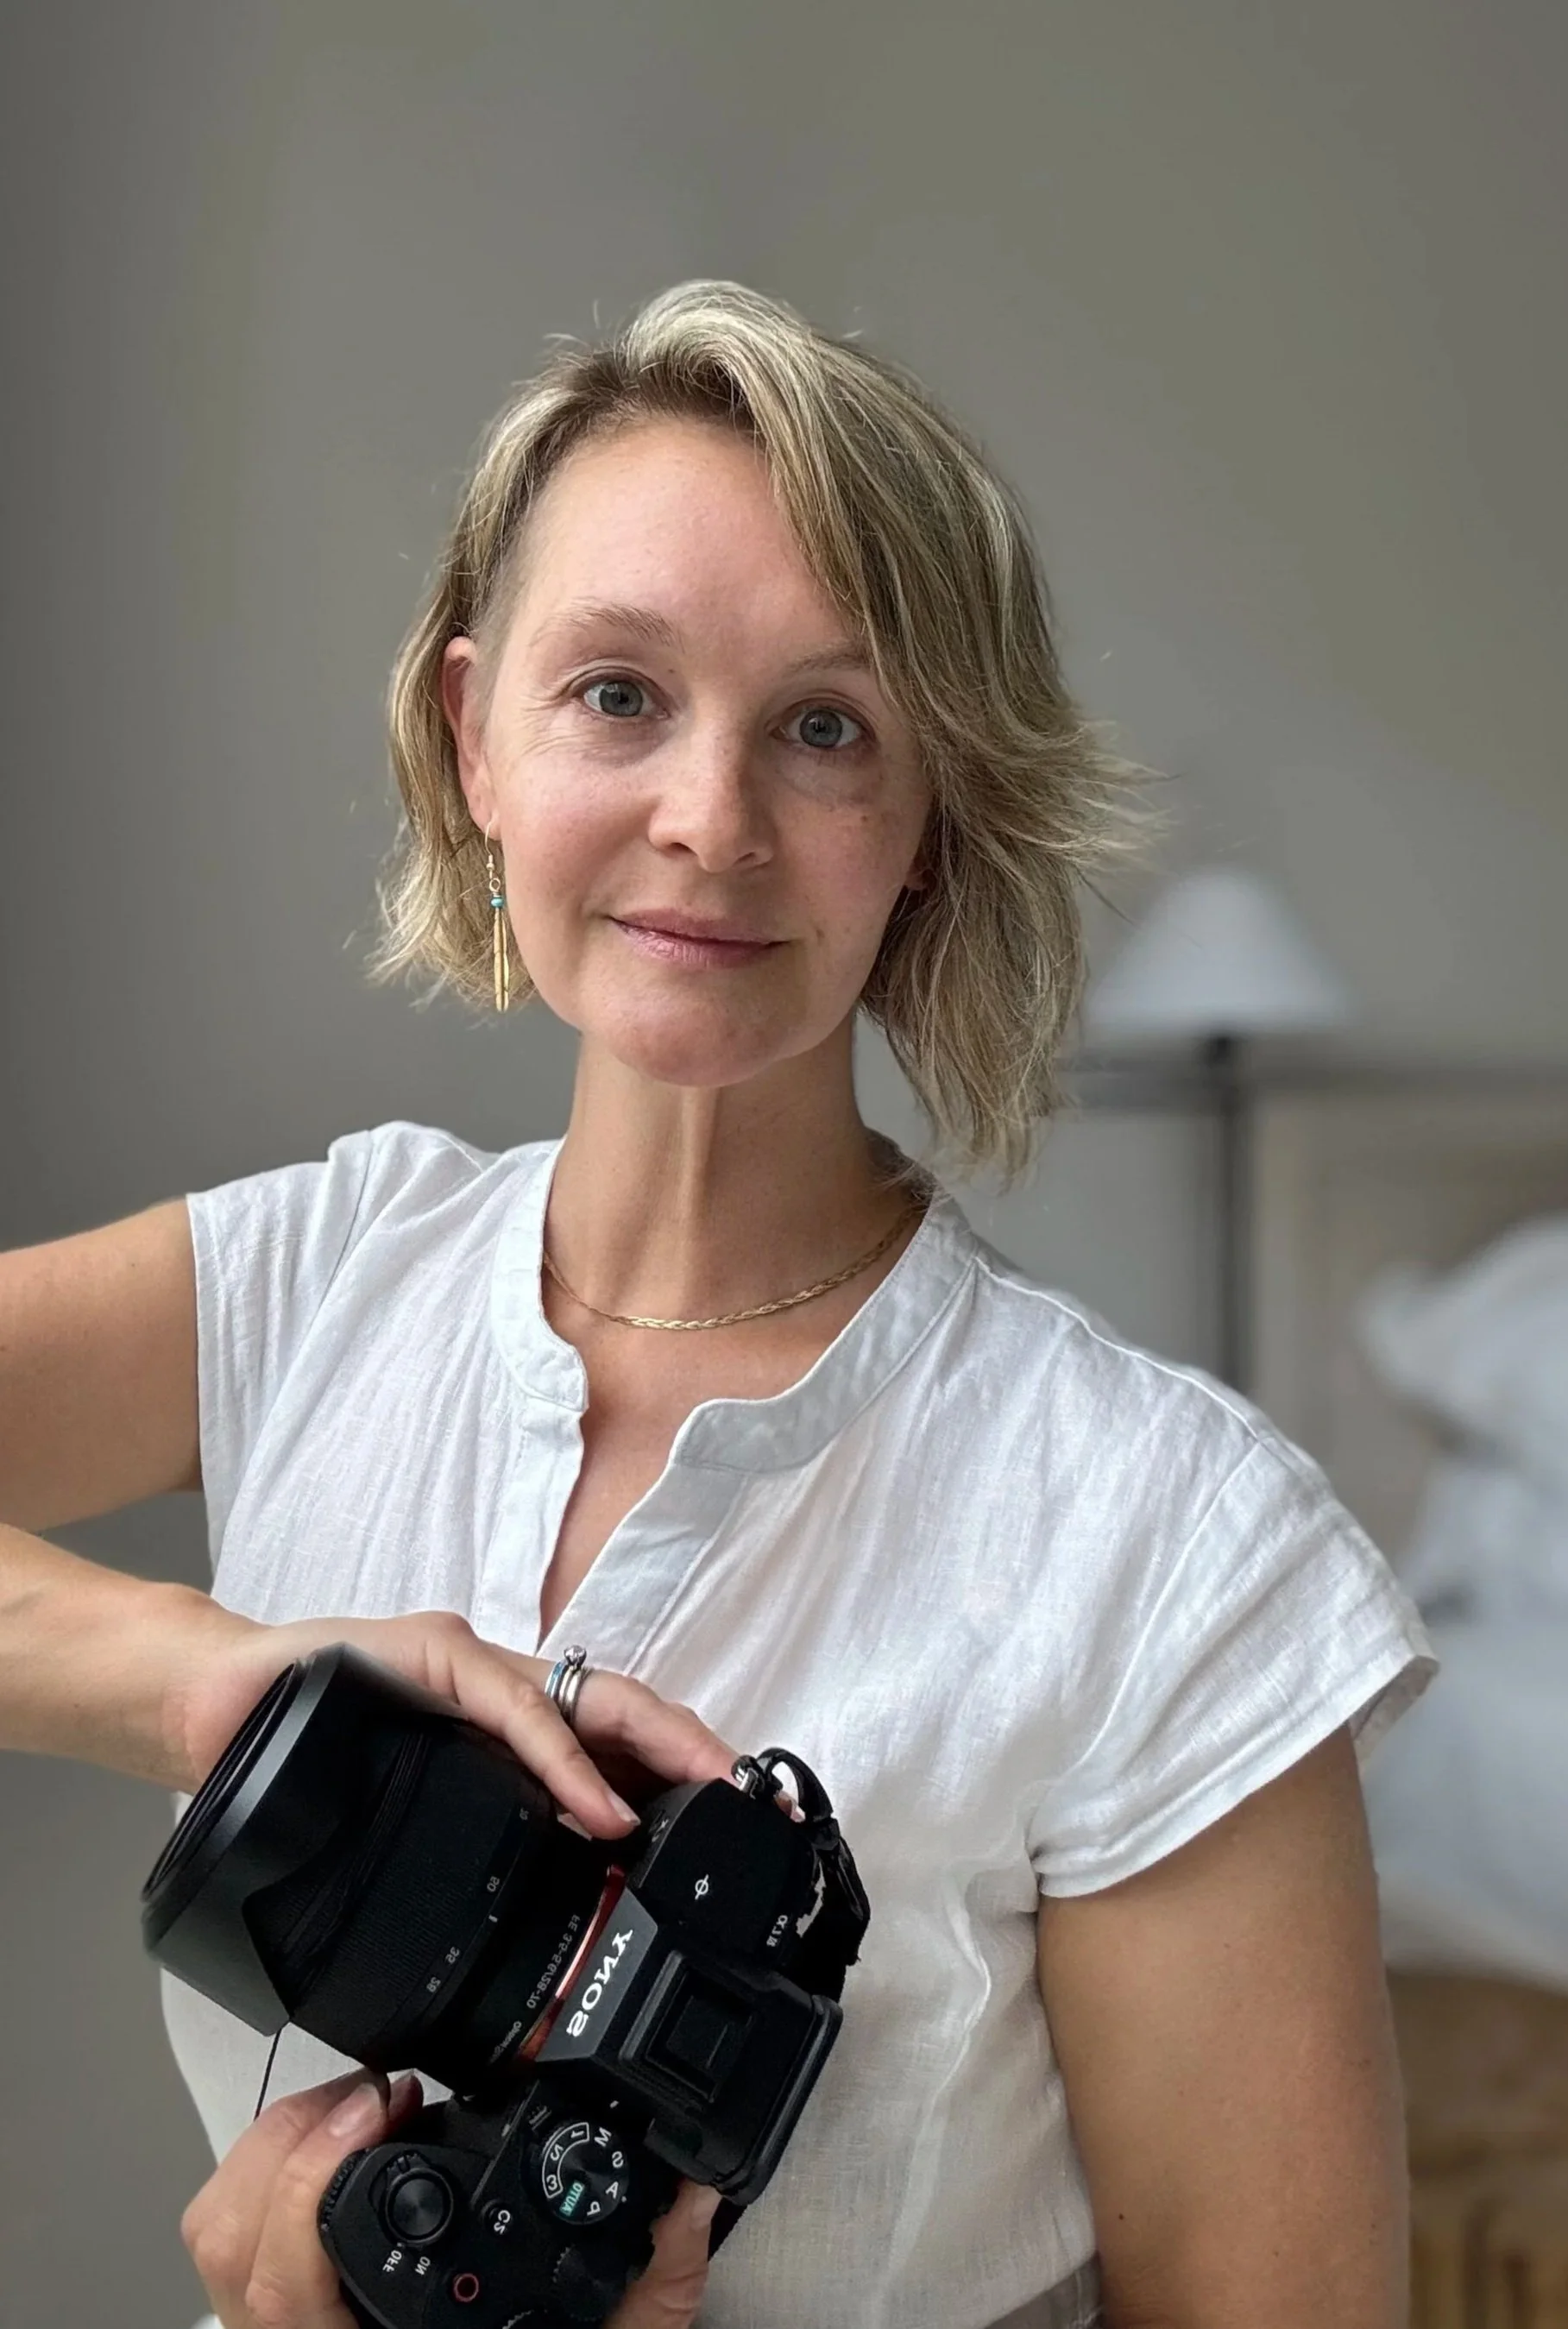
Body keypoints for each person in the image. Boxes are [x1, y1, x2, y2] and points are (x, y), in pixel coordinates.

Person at [0, 280, 1434, 2329]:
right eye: (616, 695)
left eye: (827, 726)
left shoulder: (1162, 1548)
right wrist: (217, 1682)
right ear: (470, 733)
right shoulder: (320, 1281)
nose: (710, 818)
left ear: (926, 824)